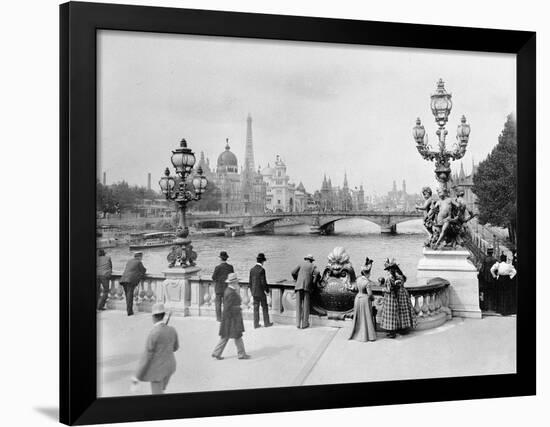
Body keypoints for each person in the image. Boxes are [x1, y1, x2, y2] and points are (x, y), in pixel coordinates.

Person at [132, 303, 179, 394]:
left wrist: (136, 376)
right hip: (170, 367)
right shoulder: (172, 330)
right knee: (161, 391)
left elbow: (146, 358)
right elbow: (175, 347)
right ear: (164, 315)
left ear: (153, 316)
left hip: (158, 371)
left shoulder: (153, 334)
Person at [211, 273, 251, 360]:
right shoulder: (231, 293)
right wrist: (241, 307)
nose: (238, 283)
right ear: (234, 283)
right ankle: (241, 354)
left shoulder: (229, 291)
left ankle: (217, 352)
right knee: (237, 335)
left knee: (227, 336)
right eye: (237, 282)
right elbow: (228, 308)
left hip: (229, 318)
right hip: (232, 318)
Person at [379, 258, 416, 338]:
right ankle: (403, 329)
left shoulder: (391, 277)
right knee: (403, 311)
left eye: (388, 270)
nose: (387, 271)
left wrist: (383, 288)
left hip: (397, 295)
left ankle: (396, 330)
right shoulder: (399, 275)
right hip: (403, 293)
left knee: (397, 313)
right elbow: (401, 282)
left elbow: (389, 288)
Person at [349, 258, 377, 342]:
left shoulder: (358, 279)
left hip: (358, 298)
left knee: (359, 317)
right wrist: (372, 298)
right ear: (368, 274)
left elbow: (355, 288)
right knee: (366, 317)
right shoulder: (367, 282)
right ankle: (367, 335)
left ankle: (358, 333)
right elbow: (370, 294)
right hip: (365, 299)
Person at [291, 254, 320, 329]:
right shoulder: (313, 266)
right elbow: (317, 273)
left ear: (306, 259)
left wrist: (296, 279)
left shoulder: (300, 264)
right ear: (311, 260)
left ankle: (297, 324)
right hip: (307, 287)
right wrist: (313, 281)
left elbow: (293, 272)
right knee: (306, 306)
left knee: (298, 306)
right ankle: (304, 324)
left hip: (298, 286)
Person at [249, 253, 273, 328]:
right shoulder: (262, 270)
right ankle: (266, 323)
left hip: (254, 292)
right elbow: (263, 282)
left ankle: (256, 324)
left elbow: (250, 282)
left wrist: (252, 291)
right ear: (262, 261)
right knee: (264, 307)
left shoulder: (252, 269)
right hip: (261, 292)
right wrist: (267, 291)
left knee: (255, 308)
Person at [119, 252, 147, 316]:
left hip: (123, 279)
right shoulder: (139, 262)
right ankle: (129, 312)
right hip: (130, 280)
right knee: (129, 296)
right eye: (141, 257)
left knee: (127, 296)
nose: (142, 258)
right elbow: (143, 270)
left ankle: (129, 310)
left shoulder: (129, 261)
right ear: (139, 257)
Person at [211, 251, 234, 322]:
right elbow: (232, 277)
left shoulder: (217, 267)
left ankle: (219, 318)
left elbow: (213, 277)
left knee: (218, 303)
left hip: (218, 288)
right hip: (227, 288)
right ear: (226, 258)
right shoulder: (230, 267)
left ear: (220, 259)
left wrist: (218, 280)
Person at [477, 246, 497, 311]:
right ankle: (492, 307)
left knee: (485, 293)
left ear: (487, 252)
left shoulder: (485, 259)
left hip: (485, 279)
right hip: (492, 279)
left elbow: (482, 269)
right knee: (493, 293)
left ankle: (486, 307)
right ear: (492, 252)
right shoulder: (494, 260)